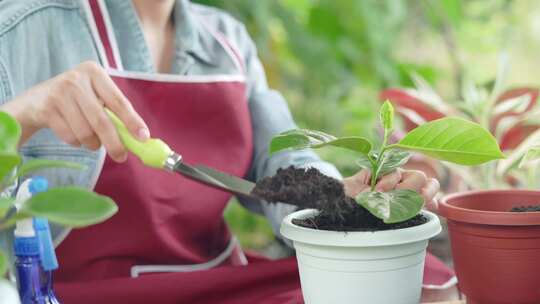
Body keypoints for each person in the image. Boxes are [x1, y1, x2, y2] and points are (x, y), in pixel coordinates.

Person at [0, 0, 442, 303]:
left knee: (421, 281)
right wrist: (19, 117)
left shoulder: (228, 41)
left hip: (217, 285)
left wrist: (339, 195)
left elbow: (280, 161)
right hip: (77, 293)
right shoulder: (19, 27)